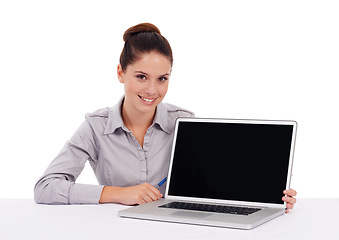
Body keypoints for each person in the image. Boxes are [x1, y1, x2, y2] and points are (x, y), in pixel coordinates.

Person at [34, 23, 297, 211]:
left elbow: (209, 184)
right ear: (120, 73)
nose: (152, 90)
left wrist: (266, 197)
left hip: (174, 226)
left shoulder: (183, 121)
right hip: (115, 228)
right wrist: (120, 194)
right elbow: (45, 188)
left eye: (162, 79)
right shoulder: (95, 126)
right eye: (141, 77)